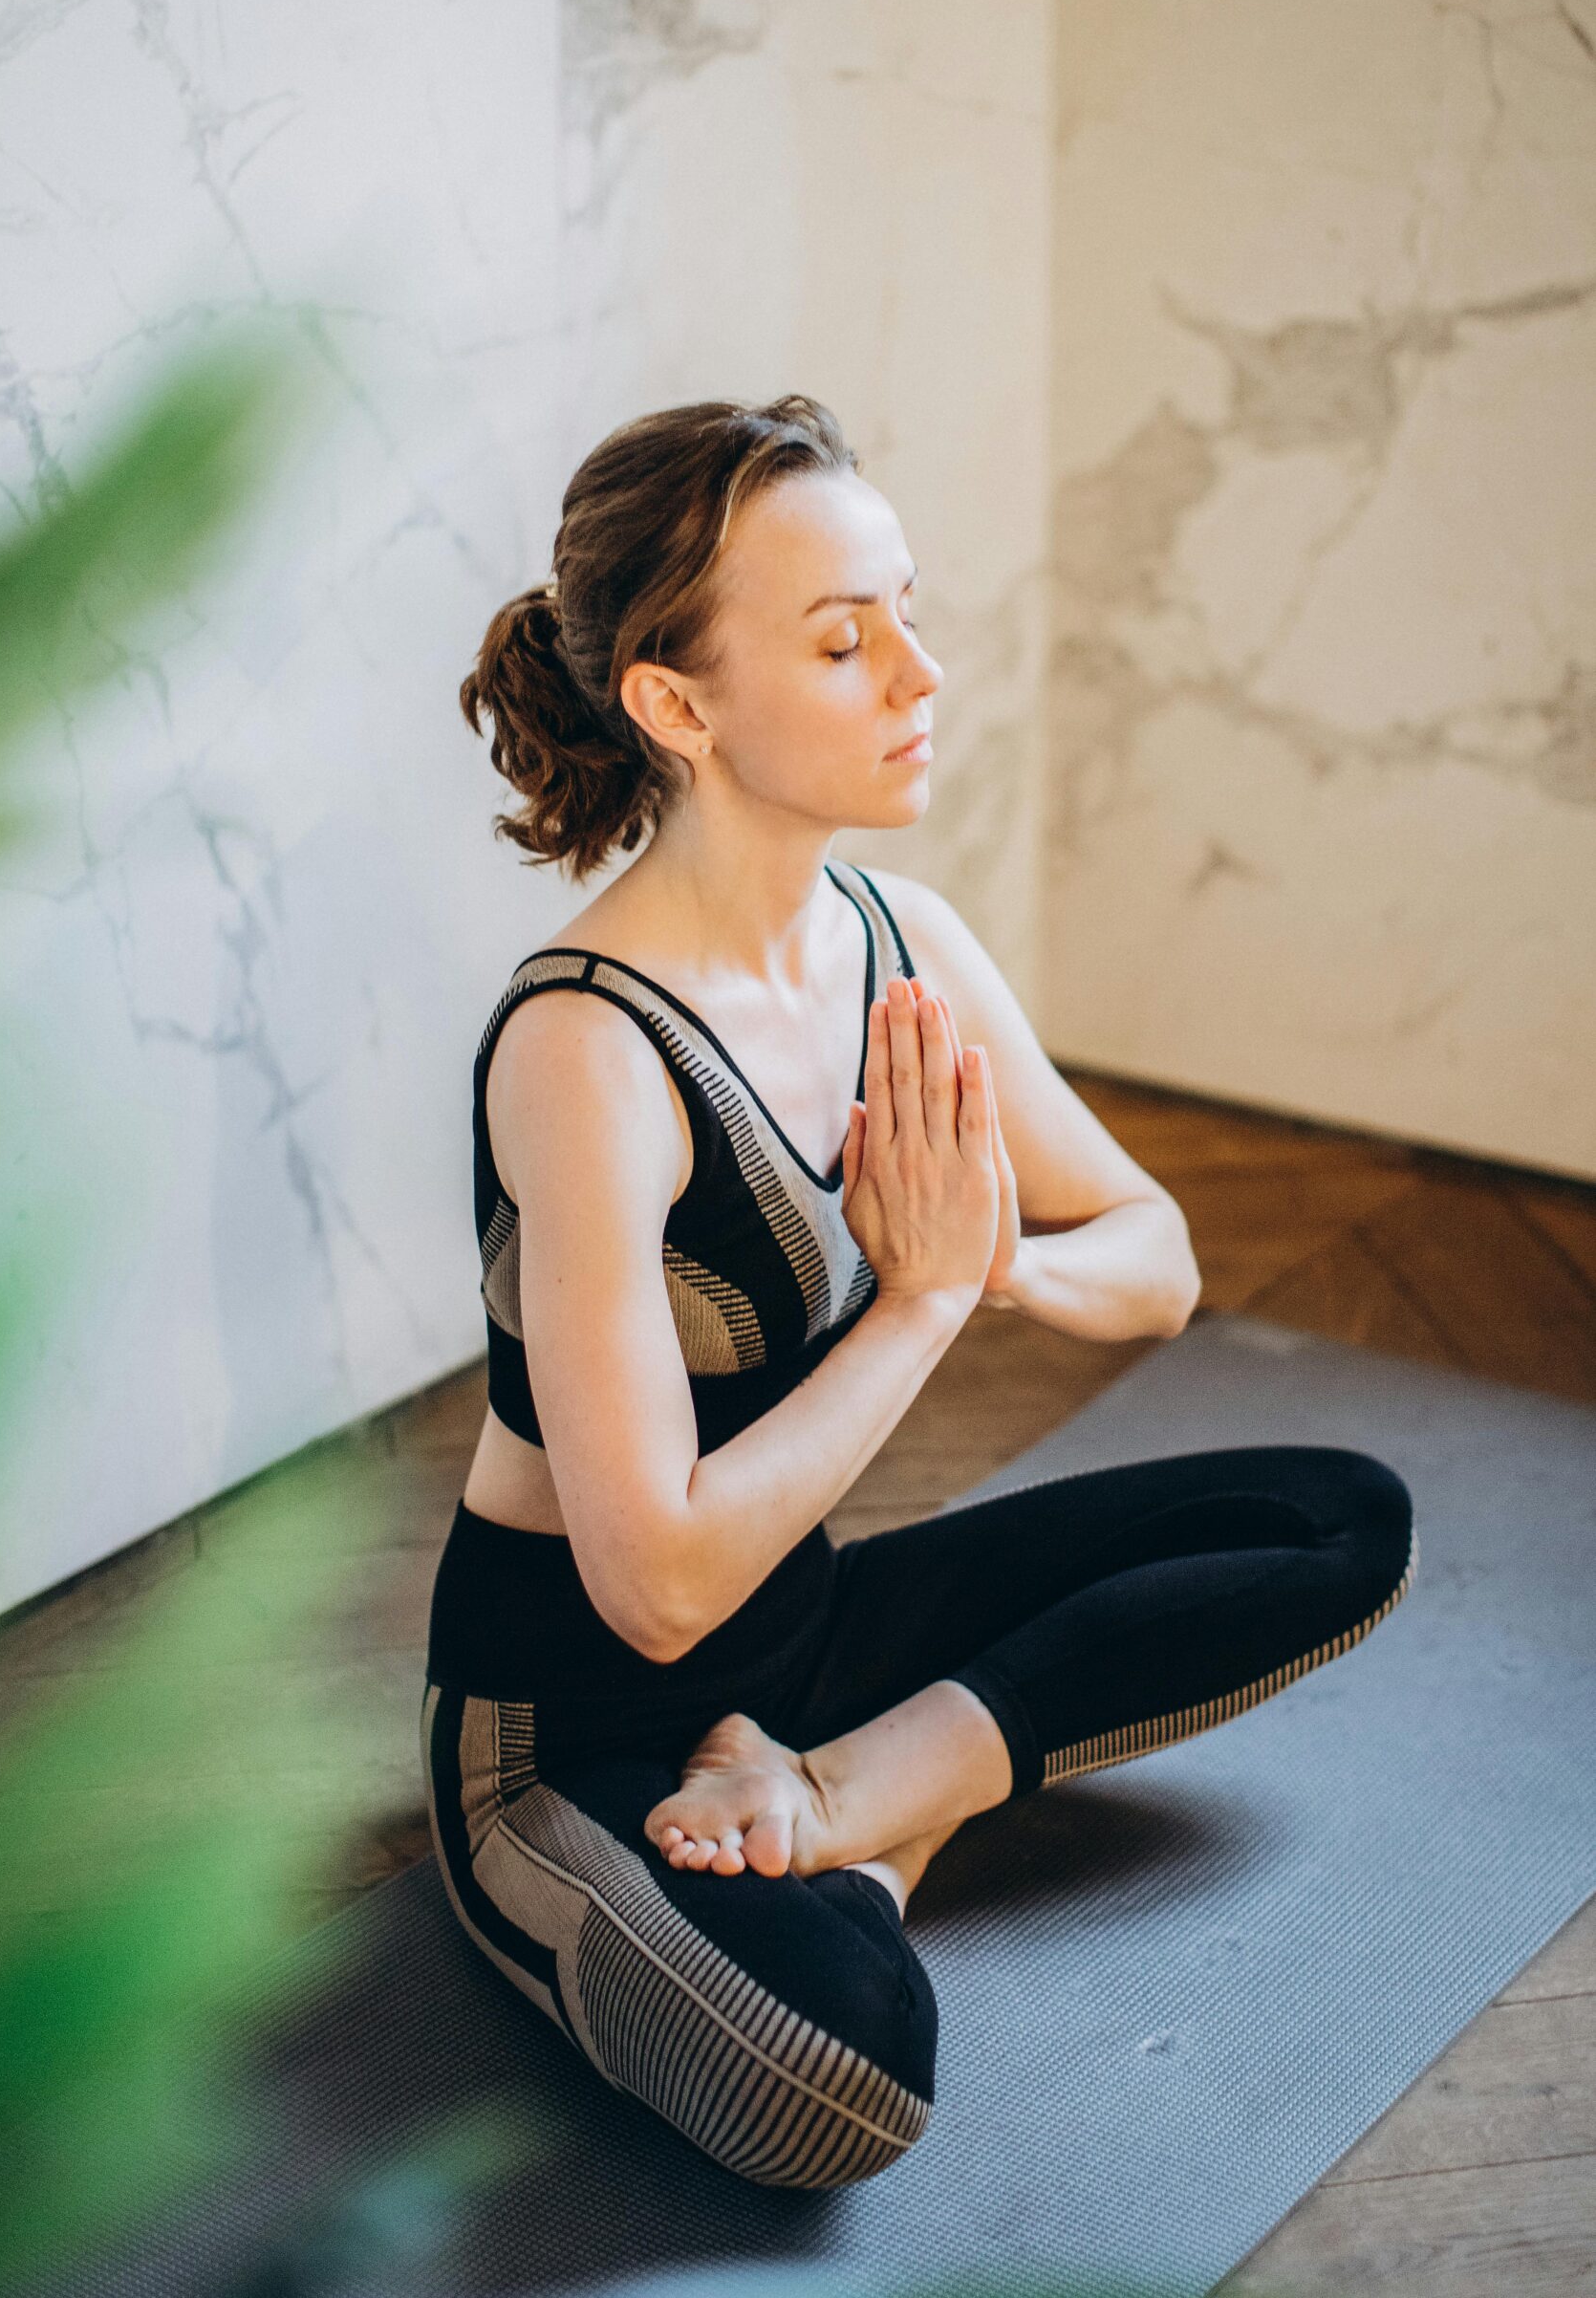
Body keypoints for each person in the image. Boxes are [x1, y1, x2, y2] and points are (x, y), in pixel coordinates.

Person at [421, 394, 1418, 2192]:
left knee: (1337, 1515)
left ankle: (842, 1804)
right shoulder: (586, 1051)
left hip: (799, 1640)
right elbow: (648, 1588)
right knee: (843, 2081)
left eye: (905, 610)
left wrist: (989, 1262)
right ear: (677, 703)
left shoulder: (902, 944)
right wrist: (919, 1305)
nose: (921, 670)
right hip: (569, 1718)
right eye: (841, 638)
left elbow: (1159, 1258)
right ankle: (850, 1828)